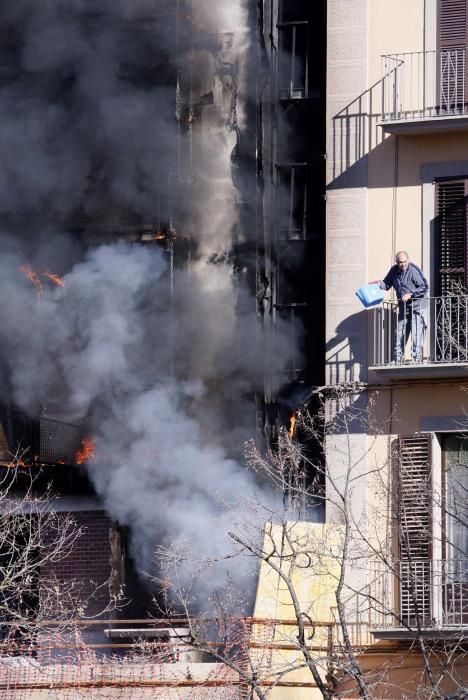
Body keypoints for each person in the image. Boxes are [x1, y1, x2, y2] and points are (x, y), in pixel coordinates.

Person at [379, 251, 429, 363]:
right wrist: (379, 284)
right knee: (399, 333)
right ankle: (397, 359)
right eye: (400, 262)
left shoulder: (414, 270)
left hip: (418, 308)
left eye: (405, 261)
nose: (402, 264)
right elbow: (387, 284)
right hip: (404, 308)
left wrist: (410, 294)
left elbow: (425, 287)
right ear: (396, 262)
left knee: (416, 334)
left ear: (408, 260)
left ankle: (416, 359)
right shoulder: (393, 271)